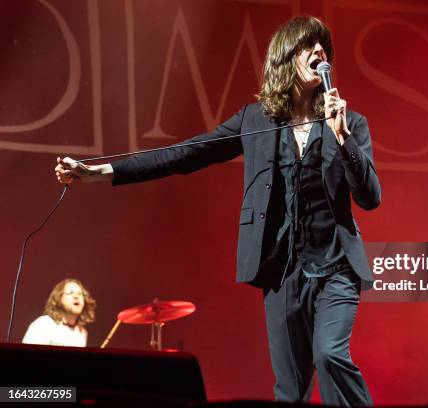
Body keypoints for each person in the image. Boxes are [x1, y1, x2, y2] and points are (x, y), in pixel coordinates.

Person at [54, 16, 380, 406]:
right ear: (285, 58)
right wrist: (101, 173)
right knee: (290, 389)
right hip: (281, 274)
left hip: (336, 268)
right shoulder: (256, 120)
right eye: (309, 45)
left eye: (324, 46)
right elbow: (189, 153)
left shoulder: (350, 123)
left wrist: (342, 137)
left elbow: (370, 196)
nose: (320, 52)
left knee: (329, 355)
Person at [23, 278, 96, 347]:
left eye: (80, 294)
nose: (76, 296)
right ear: (59, 298)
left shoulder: (82, 333)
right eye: (71, 293)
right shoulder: (43, 324)